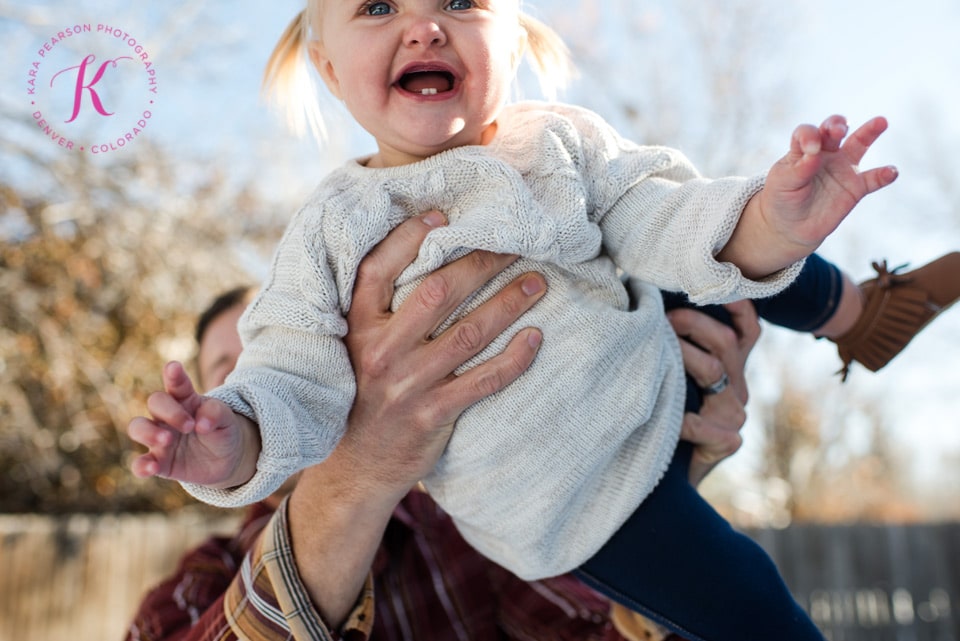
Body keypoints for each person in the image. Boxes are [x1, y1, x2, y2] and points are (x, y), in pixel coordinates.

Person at [127, 3, 959, 639]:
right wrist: (229, 433)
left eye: (459, 1)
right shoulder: (333, 230)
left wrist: (776, 220)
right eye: (376, 7)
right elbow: (291, 373)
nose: (423, 27)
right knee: (750, 599)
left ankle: (864, 312)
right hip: (585, 496)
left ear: (516, 41)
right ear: (329, 69)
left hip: (648, 363)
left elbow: (661, 218)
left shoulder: (555, 140)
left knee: (702, 221)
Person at [127, 215, 759, 641]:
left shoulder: (472, 515)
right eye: (231, 370)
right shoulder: (190, 589)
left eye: (291, 354)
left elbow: (597, 631)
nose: (266, 381)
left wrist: (662, 475)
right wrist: (356, 474)